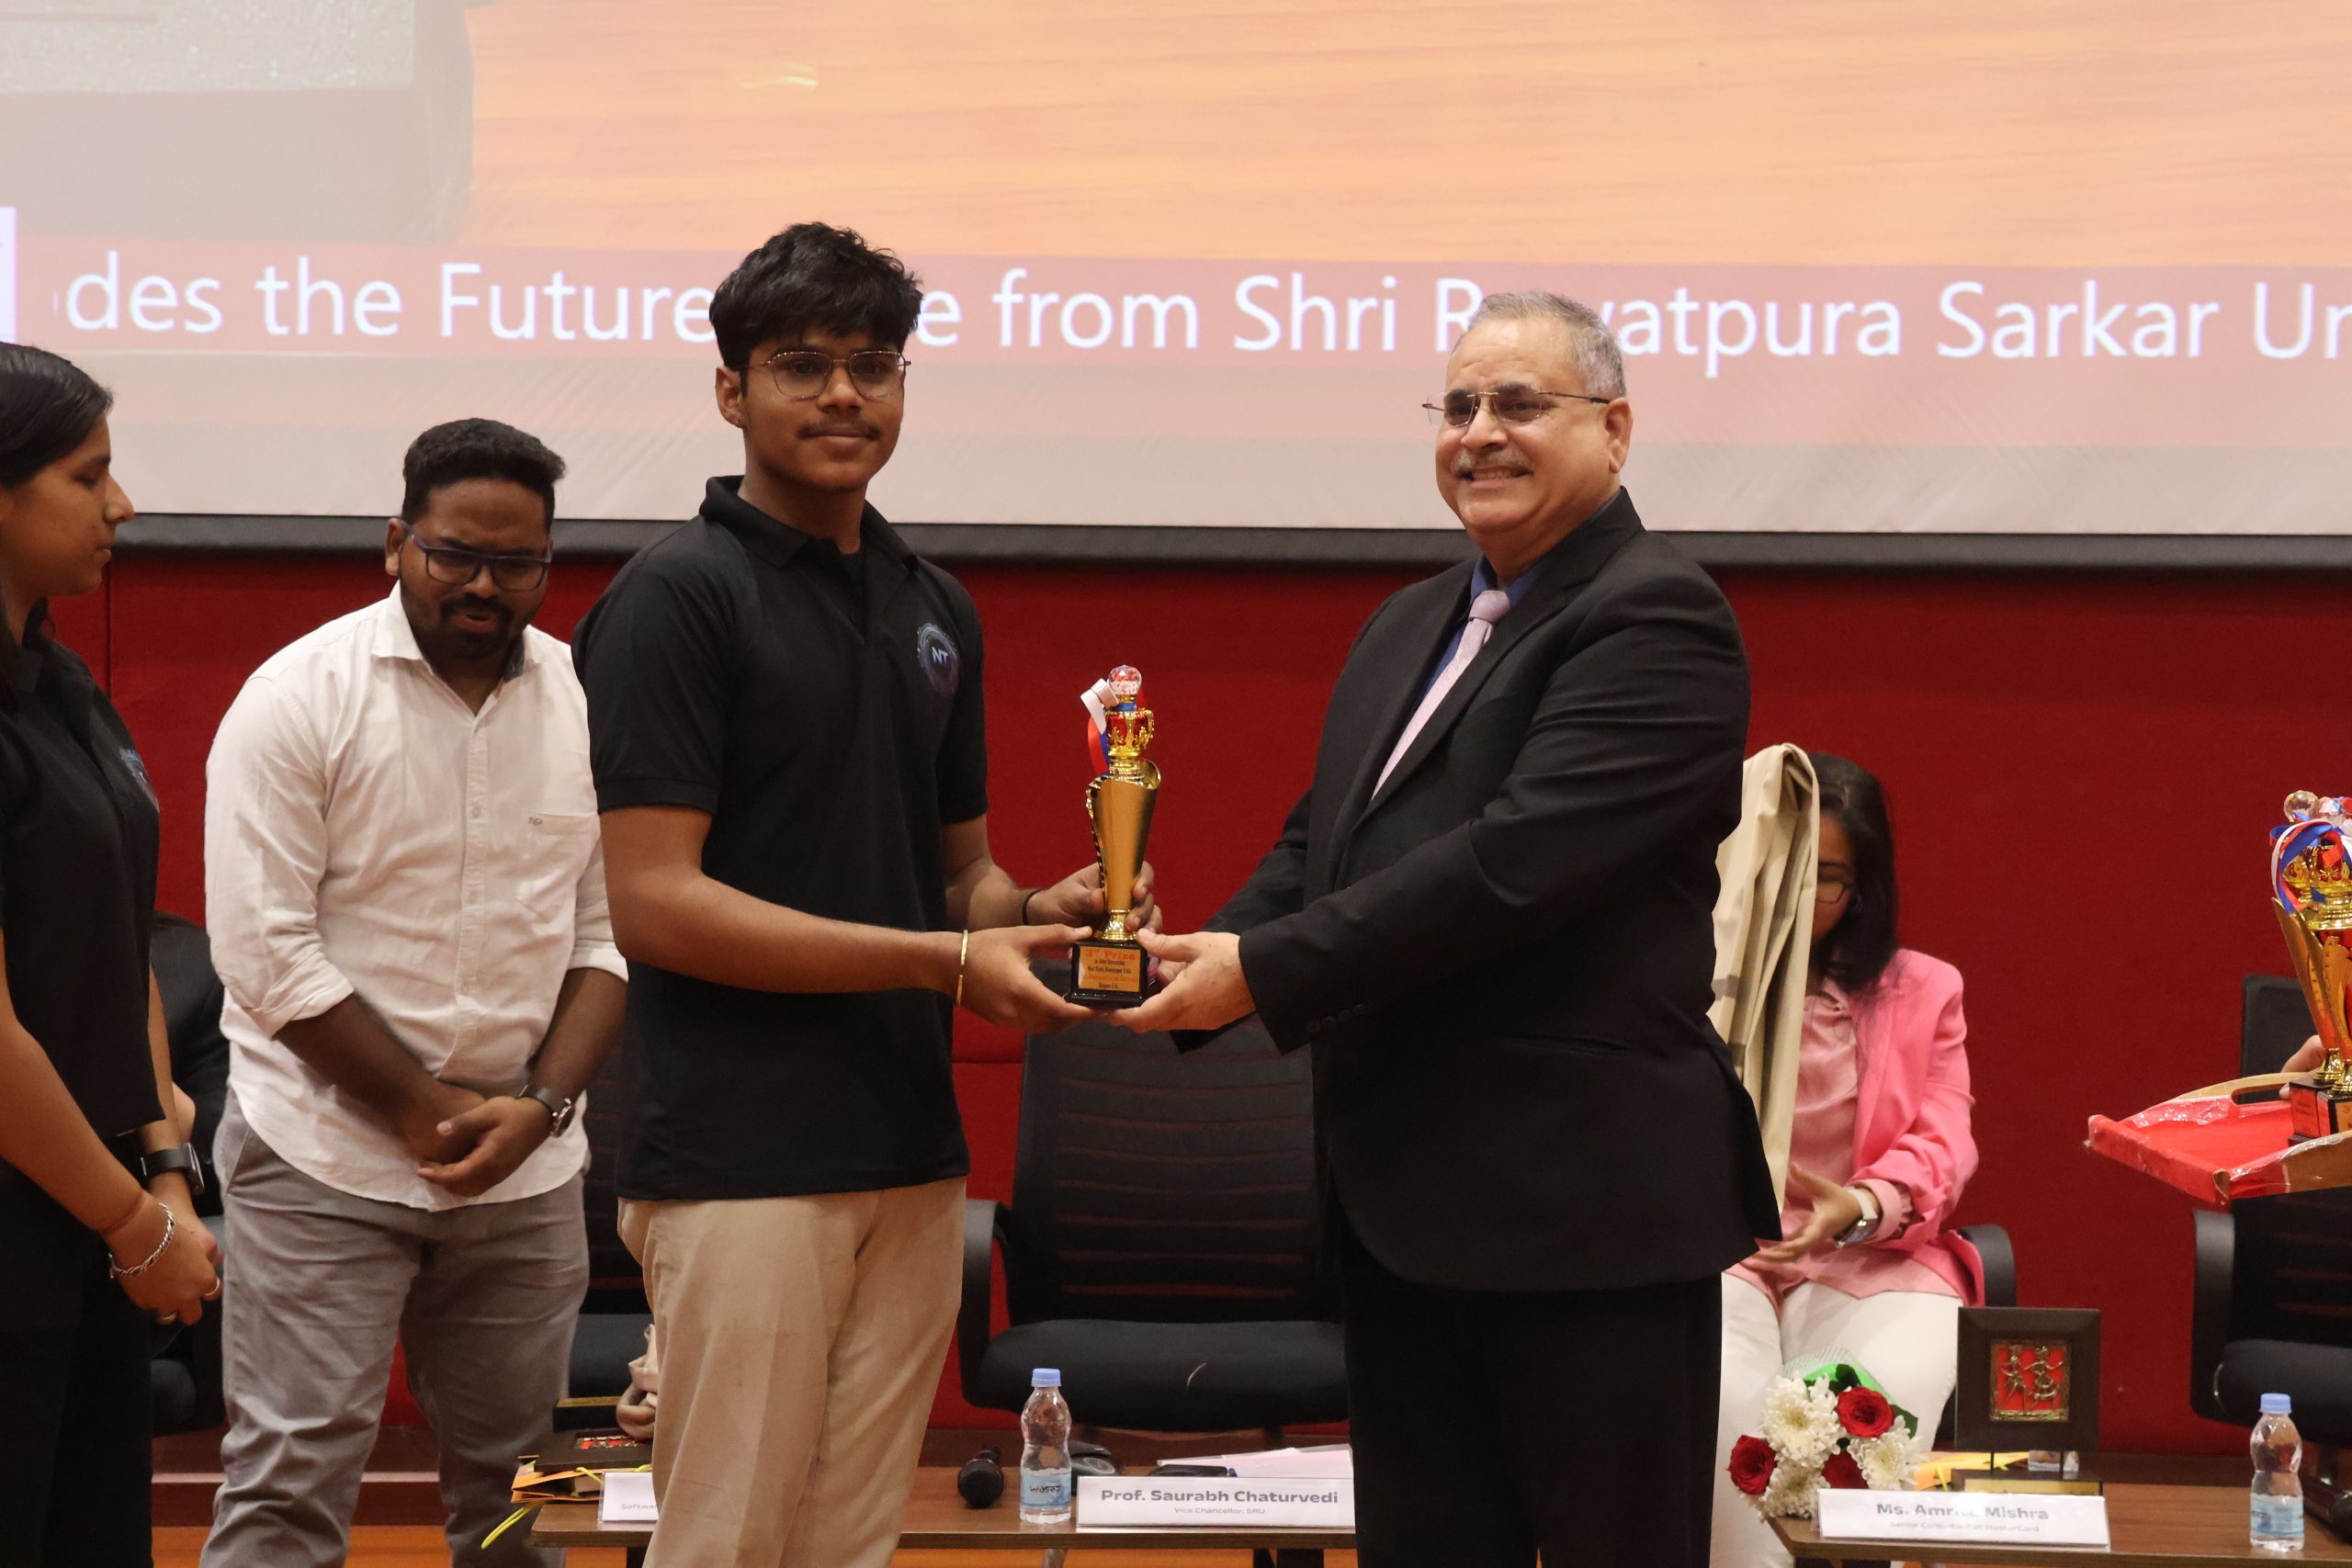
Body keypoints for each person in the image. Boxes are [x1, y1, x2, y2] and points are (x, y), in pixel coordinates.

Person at [1121, 291, 1778, 1568]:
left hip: (1583, 1218)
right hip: (1404, 1211)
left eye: (1519, 403)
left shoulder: (1657, 616)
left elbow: (1509, 868)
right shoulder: (1410, 620)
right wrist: (1174, 960)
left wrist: (1261, 974)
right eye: (1459, 404)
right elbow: (1326, 844)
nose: (1479, 432)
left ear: (1614, 429)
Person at [571, 221, 1138, 1568]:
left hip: (908, 1148)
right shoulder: (674, 598)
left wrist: (1048, 910)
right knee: (726, 1542)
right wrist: (944, 960)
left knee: (849, 1546)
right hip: (738, 1160)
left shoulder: (933, 602)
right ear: (732, 391)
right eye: (802, 365)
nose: (843, 394)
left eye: (873, 365)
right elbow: (655, 905)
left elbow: (961, 877)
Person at [200, 419, 627, 1568]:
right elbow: (264, 953)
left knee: (522, 1491)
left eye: (516, 563)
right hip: (323, 1156)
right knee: (290, 1480)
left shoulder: (587, 701)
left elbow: (607, 938)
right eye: (455, 555)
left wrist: (538, 1109)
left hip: (524, 1168)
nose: (484, 586)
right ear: (396, 542)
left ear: (550, 564)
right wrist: (422, 1109)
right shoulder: (298, 695)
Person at [0, 344, 220, 1567]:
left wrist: (166, 1177)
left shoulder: (66, 684)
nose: (121, 504)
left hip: (90, 1230)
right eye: (87, 477)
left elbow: (119, 938)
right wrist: (137, 1223)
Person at [1709, 753, 1980, 1568]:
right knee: (1726, 1417)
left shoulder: (1925, 989)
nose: (1803, 897)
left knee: (1870, 1405)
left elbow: (1944, 1139)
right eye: (1788, 871)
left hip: (1872, 1257)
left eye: (1827, 878)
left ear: (1862, 887)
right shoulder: (1697, 981)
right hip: (1725, 1252)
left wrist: (1859, 1206)